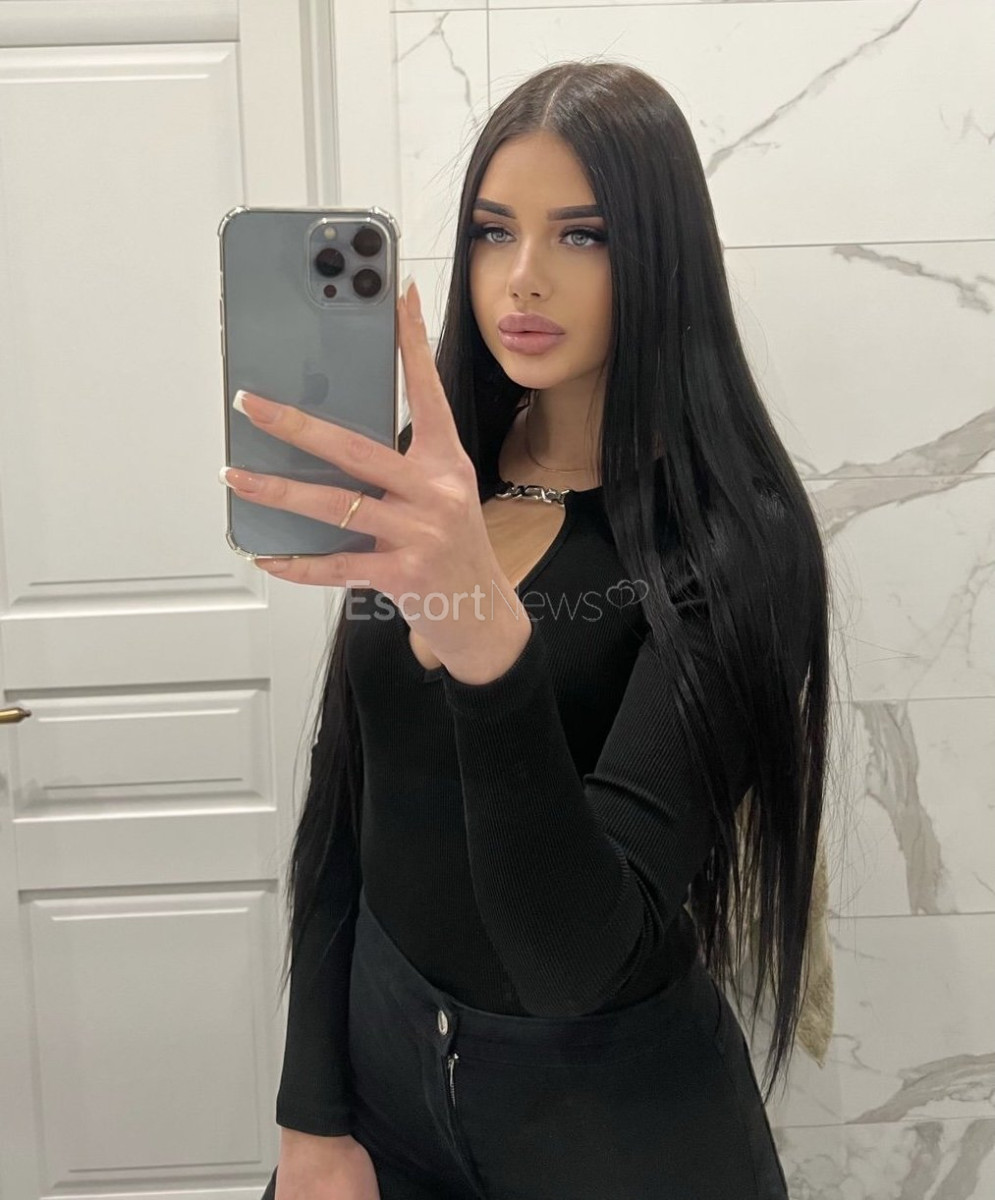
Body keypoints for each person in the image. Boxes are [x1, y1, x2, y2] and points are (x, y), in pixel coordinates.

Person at [231, 60, 831, 1200]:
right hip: (383, 1096)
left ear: (660, 256)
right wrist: (310, 1116)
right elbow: (344, 812)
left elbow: (576, 959)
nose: (522, 277)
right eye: (492, 231)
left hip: (612, 1134)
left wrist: (481, 641)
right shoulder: (435, 483)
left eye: (582, 236)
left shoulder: (734, 542)